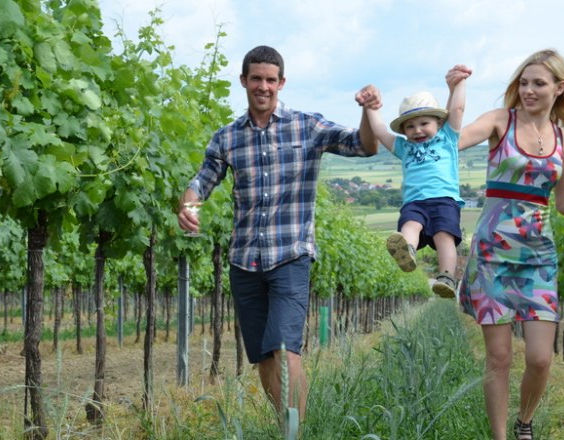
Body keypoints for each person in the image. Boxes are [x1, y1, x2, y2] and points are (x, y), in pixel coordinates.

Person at [177, 45, 381, 425]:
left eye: (271, 80)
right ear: (244, 81)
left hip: (291, 256)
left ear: (281, 83)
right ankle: (285, 426)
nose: (263, 86)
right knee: (263, 357)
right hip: (244, 260)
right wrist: (189, 205)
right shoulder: (227, 138)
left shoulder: (307, 126)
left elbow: (364, 146)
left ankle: (296, 434)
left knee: (285, 350)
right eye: (256, 78)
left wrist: (368, 110)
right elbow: (202, 180)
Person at [450, 50, 564, 440]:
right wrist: (455, 89)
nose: (528, 90)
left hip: (539, 256)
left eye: (538, 83)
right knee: (500, 356)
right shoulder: (499, 121)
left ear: (559, 88)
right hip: (492, 254)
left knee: (541, 359)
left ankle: (526, 421)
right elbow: (453, 139)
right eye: (523, 82)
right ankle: (501, 436)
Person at [360, 65, 470, 298]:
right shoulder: (404, 147)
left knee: (444, 236)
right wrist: (370, 107)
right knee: (410, 226)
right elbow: (379, 130)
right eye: (410, 126)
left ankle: (447, 277)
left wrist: (460, 82)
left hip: (444, 199)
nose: (417, 130)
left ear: (439, 124)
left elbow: (457, 108)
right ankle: (407, 251)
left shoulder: (447, 138)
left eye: (424, 123)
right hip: (414, 202)